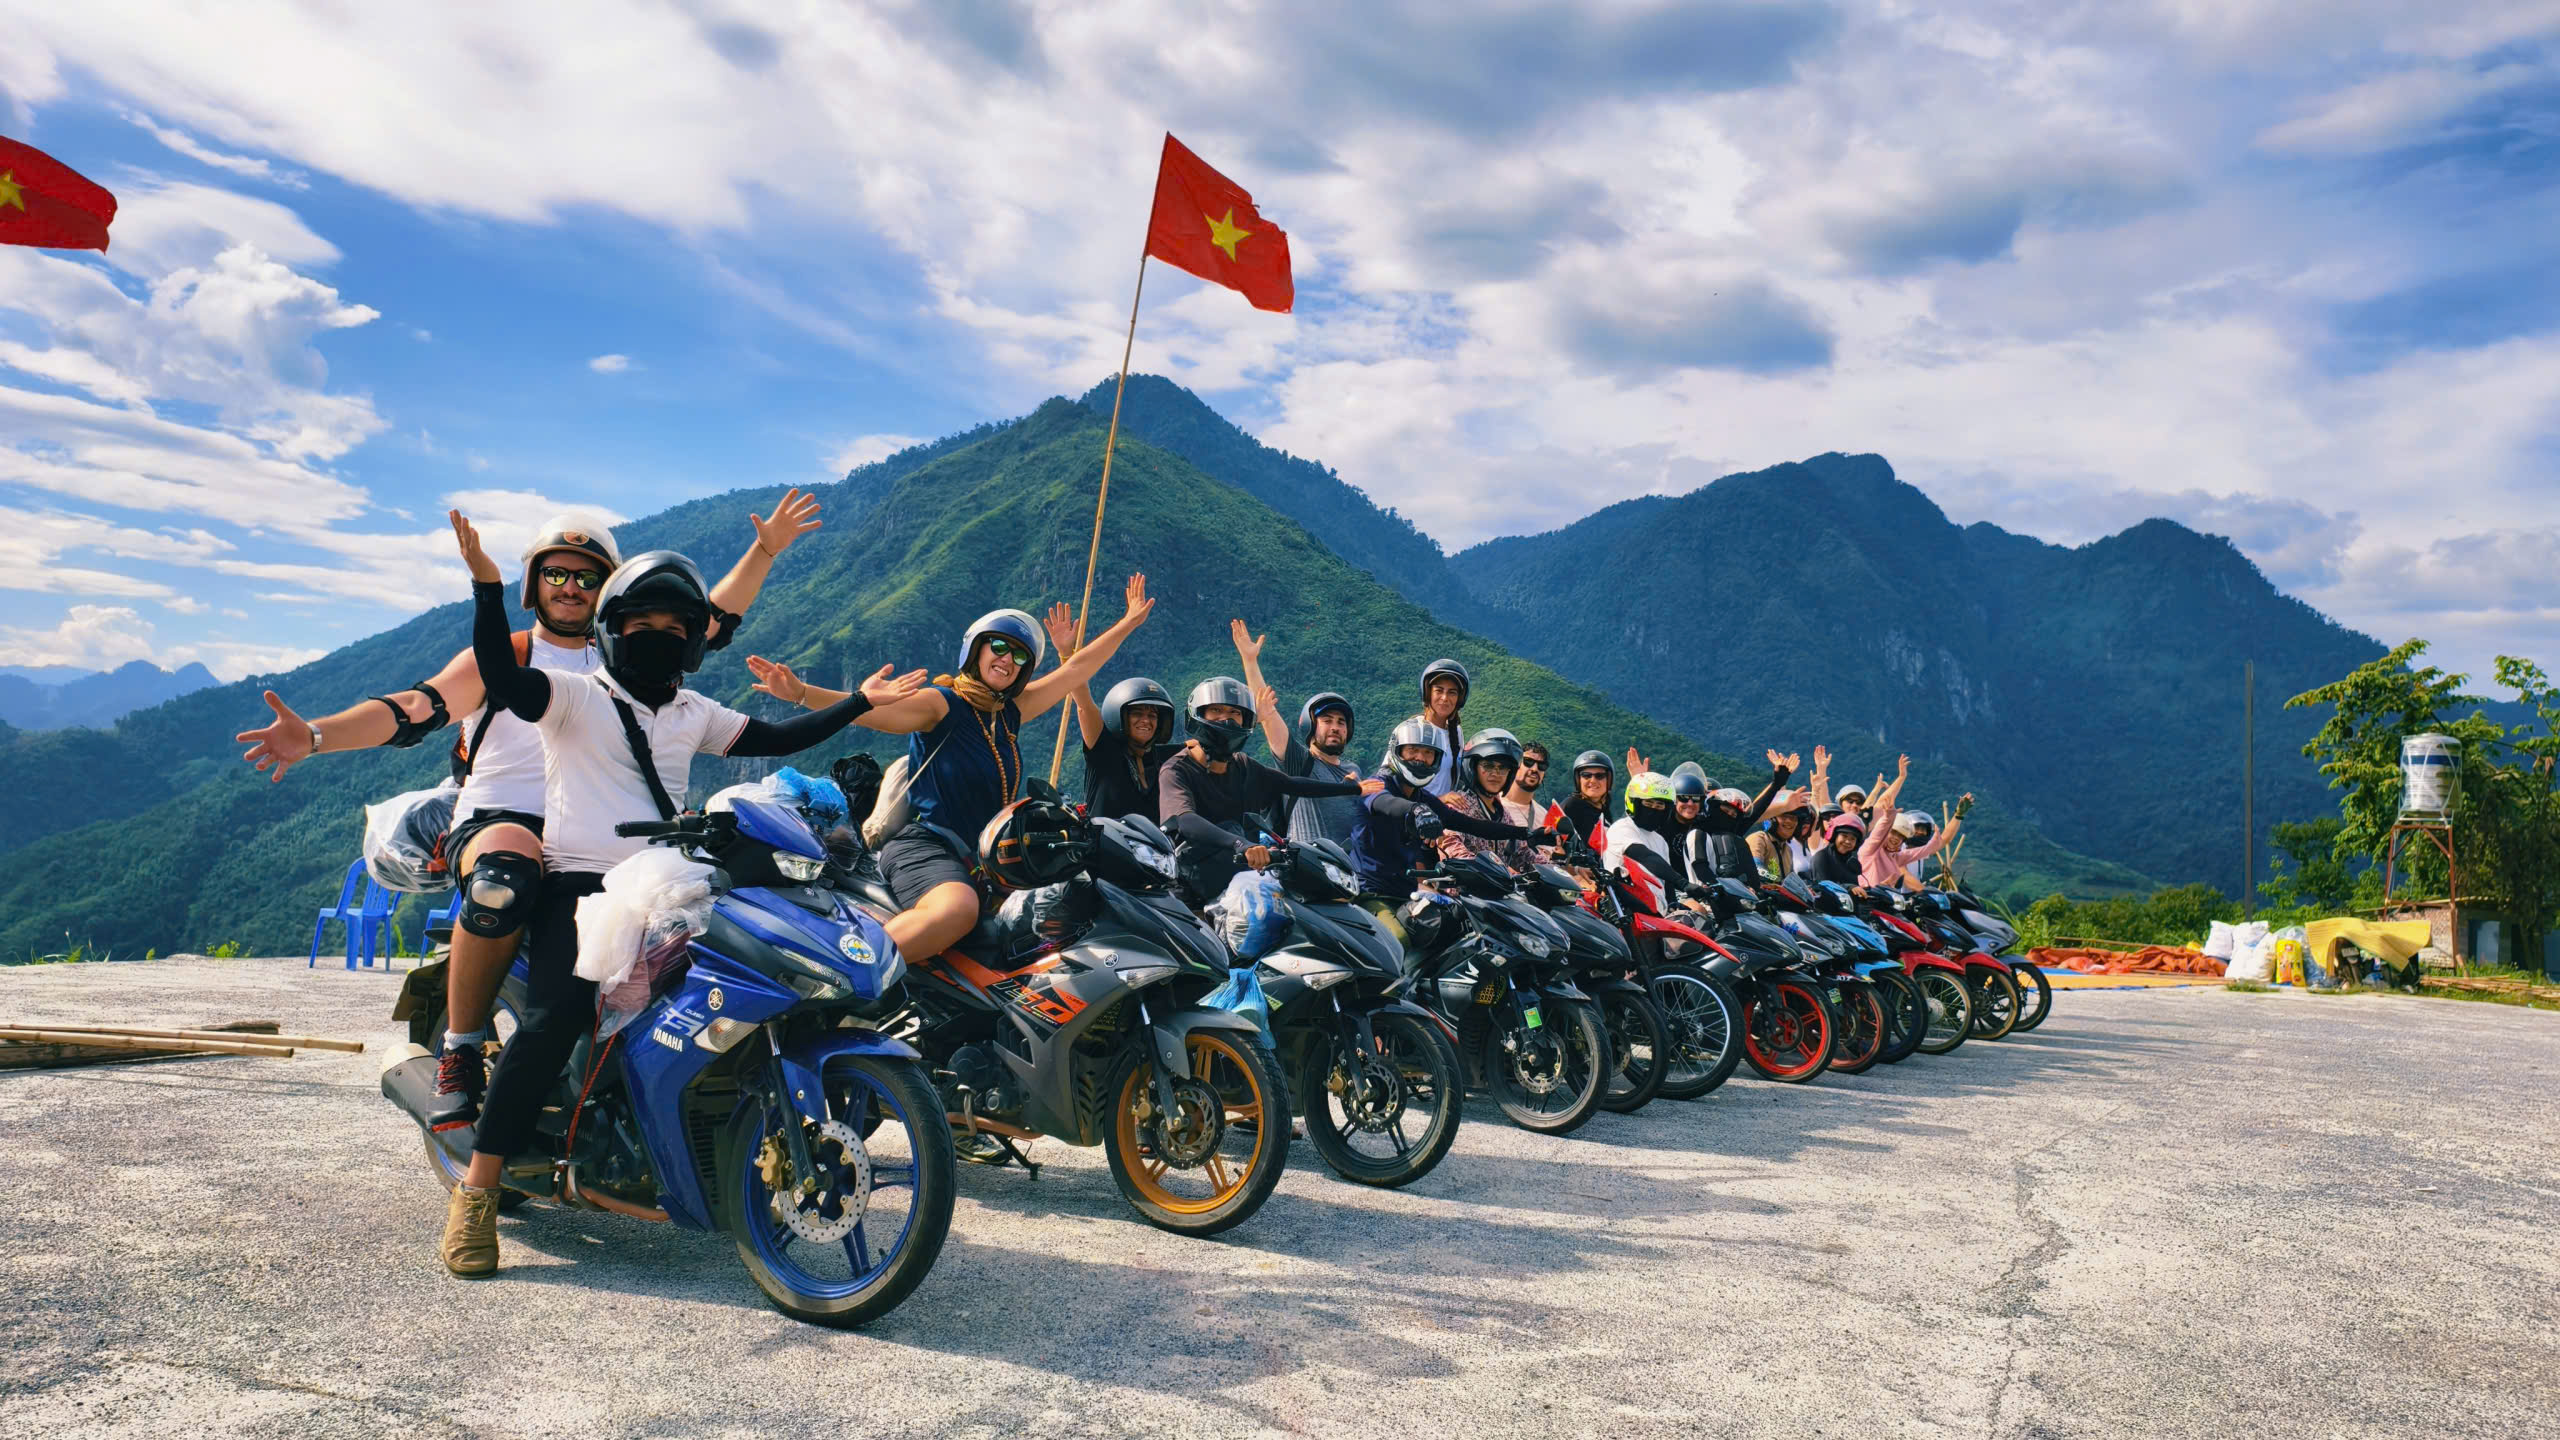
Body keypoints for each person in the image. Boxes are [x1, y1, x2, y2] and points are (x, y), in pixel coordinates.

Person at [235, 494, 822, 1132]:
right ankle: (460, 1049)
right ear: (532, 583)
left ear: (610, 589)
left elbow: (714, 617)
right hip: (502, 821)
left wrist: (764, 550)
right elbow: (413, 708)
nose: (570, 587)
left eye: (587, 576)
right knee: (504, 879)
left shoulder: (631, 650)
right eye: (555, 573)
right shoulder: (507, 659)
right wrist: (315, 737)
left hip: (613, 835)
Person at [437, 511, 919, 1277]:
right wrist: (489, 589)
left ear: (694, 637)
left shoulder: (694, 713)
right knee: (557, 1016)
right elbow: (501, 676)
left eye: (675, 622)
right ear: (612, 630)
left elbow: (779, 739)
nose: (658, 633)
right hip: (581, 891)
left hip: (669, 883)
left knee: (738, 984)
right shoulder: (573, 695)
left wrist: (859, 702)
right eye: (641, 621)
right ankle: (478, 1191)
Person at [747, 573, 1154, 965]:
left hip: (989, 865)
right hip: (926, 848)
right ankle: (844, 967)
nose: (1007, 660)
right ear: (975, 649)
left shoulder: (1009, 712)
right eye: (999, 646)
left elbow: (1075, 671)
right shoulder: (942, 703)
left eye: (1019, 656)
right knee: (957, 910)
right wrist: (800, 692)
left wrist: (1129, 622)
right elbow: (871, 713)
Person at [1158, 676, 1379, 914]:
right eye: (1216, 710)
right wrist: (1241, 844)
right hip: (1193, 894)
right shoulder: (1177, 769)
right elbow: (1185, 819)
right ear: (1198, 715)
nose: (1226, 718)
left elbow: (1294, 785)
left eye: (1235, 712)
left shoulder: (1241, 765)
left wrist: (1353, 789)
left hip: (1236, 886)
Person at [1348, 719, 1551, 924]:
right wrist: (1415, 810)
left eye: (1428, 753)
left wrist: (1526, 833)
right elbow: (1385, 802)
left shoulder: (1422, 796)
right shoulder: (1377, 784)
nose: (1420, 758)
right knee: (1397, 940)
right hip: (1372, 892)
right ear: (1397, 751)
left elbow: (1470, 825)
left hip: (1407, 893)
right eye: (1413, 750)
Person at [1227, 619, 1363, 847]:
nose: (1335, 727)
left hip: (1348, 874)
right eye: (1327, 721)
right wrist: (1250, 660)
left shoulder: (1353, 770)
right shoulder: (1299, 762)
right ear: (1310, 726)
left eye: (1341, 722)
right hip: (1307, 869)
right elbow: (1269, 715)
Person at [1064, 667, 1179, 823]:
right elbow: (1084, 705)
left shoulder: (1162, 758)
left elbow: (1199, 748)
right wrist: (1066, 654)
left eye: (1152, 715)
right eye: (1137, 713)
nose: (1146, 720)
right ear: (1120, 717)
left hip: (1155, 847)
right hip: (1106, 845)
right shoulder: (1104, 751)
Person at [1672, 749, 1798, 887]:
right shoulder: (1670, 824)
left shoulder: (1721, 833)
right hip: (1680, 890)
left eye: (1697, 799)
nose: (1690, 804)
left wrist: (1777, 784)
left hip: (1709, 891)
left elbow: (1752, 814)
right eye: (1685, 797)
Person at [1439, 729, 1545, 873]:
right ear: (1473, 767)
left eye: (1503, 768)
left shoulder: (1503, 814)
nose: (1495, 773)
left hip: (1501, 893)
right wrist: (1498, 869)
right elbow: (1450, 845)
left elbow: (1523, 854)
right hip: (1463, 892)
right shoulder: (1459, 805)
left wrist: (1556, 869)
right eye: (1488, 766)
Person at [1405, 658, 1471, 794]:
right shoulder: (1410, 730)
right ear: (1428, 693)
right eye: (1439, 690)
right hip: (1416, 811)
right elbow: (1390, 779)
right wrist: (1439, 801)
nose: (1445, 698)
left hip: (1444, 814)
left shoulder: (1456, 732)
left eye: (1452, 692)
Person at [1877, 796, 1971, 889]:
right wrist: (1925, 891)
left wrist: (1958, 815)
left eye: (1923, 829)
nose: (1920, 832)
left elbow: (1944, 839)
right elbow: (1904, 874)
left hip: (1913, 899)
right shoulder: (1897, 848)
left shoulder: (1920, 851)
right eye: (1917, 828)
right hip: (1895, 899)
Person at [1558, 749, 1615, 854]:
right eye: (1586, 775)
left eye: (1600, 776)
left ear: (1609, 780)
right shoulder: (1571, 806)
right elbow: (1552, 844)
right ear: (1578, 780)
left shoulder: (1605, 812)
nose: (1593, 780)